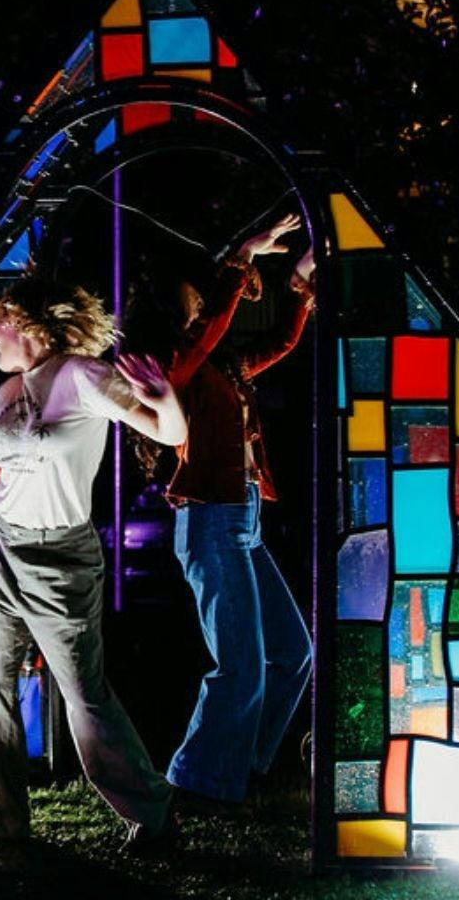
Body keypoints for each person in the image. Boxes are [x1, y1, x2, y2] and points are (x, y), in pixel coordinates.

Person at [125, 213, 316, 810]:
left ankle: (240, 764)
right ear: (169, 307)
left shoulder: (217, 367)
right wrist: (243, 257)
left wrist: (302, 282)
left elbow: (281, 343)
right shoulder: (165, 367)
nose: (201, 303)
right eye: (192, 298)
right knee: (241, 666)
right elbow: (208, 331)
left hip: (244, 520)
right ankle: (195, 783)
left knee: (292, 653)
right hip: (210, 520)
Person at [0, 276, 187, 854]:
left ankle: (151, 815)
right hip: (4, 548)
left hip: (60, 557)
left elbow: (169, 432)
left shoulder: (81, 376)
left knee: (84, 691)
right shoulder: (6, 392)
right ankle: (3, 822)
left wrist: (165, 400)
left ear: (29, 326)